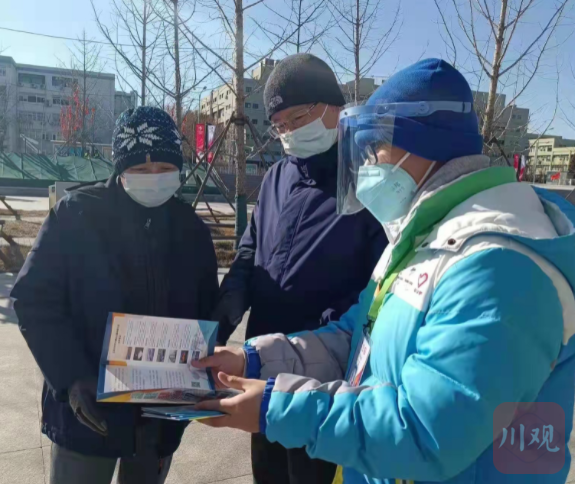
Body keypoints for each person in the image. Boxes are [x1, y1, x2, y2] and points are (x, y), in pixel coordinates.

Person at [195, 59, 575, 484]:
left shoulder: (499, 269)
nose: (367, 166)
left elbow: (424, 432)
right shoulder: (427, 237)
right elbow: (359, 336)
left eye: (375, 149)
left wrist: (275, 407)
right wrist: (254, 359)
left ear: (423, 142)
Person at [12, 106, 219, 484]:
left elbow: (206, 309)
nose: (153, 178)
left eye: (164, 168)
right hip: (87, 409)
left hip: (160, 414)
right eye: (141, 169)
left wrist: (201, 374)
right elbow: (33, 299)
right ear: (121, 168)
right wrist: (71, 377)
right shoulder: (76, 215)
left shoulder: (191, 230)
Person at [209, 53, 387, 484]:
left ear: (333, 106)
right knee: (268, 473)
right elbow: (249, 254)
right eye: (279, 124)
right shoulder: (276, 177)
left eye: (298, 118)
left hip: (324, 379)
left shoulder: (367, 182)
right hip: (263, 368)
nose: (289, 132)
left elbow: (379, 286)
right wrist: (221, 317)